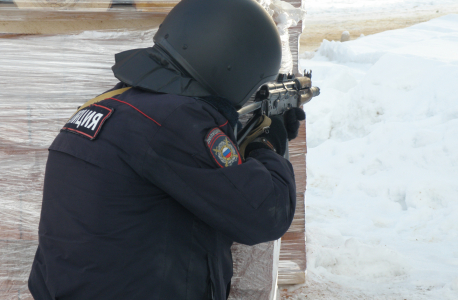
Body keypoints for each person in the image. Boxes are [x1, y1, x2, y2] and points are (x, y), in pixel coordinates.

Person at [28, 0, 304, 299]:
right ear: (231, 63)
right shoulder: (178, 122)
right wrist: (269, 140)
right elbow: (266, 215)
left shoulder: (106, 106)